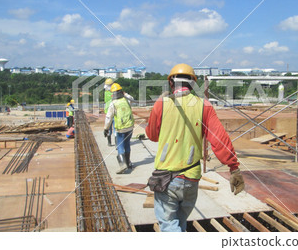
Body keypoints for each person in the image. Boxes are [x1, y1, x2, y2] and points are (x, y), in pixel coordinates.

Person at [145, 63, 244, 232]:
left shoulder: (162, 104)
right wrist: (233, 168)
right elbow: (219, 139)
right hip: (191, 179)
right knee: (180, 224)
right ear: (192, 84)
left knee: (169, 226)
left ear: (171, 83)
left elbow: (152, 135)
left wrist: (158, 108)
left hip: (167, 179)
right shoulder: (204, 106)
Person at [104, 83, 135, 174]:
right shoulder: (127, 100)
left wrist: (106, 128)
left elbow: (109, 117)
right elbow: (132, 98)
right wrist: (125, 94)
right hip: (130, 127)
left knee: (120, 145)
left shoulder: (113, 103)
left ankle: (122, 165)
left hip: (120, 129)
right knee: (127, 144)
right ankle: (128, 163)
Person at [104, 79, 115, 146]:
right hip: (112, 112)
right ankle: (112, 143)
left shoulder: (106, 91)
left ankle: (109, 143)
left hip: (109, 112)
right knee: (114, 128)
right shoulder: (113, 92)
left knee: (109, 127)